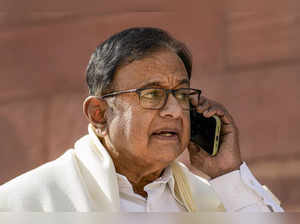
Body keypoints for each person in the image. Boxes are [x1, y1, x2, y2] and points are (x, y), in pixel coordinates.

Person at [0, 27, 283, 212]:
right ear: (99, 114)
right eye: (152, 94)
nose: (174, 110)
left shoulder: (216, 202)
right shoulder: (24, 206)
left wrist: (228, 174)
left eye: (182, 94)